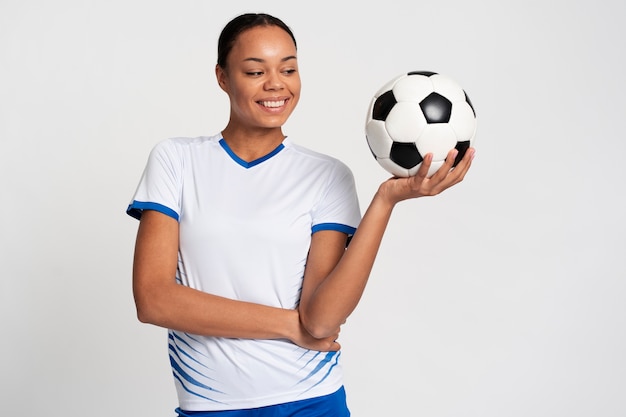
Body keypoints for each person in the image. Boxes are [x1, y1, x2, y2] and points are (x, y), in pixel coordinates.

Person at [126, 12, 474, 417]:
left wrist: (385, 201)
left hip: (312, 402)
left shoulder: (327, 176)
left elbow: (321, 321)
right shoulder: (177, 160)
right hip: (210, 406)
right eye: (255, 71)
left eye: (288, 69)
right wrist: (289, 325)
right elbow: (153, 300)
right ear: (222, 77)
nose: (276, 83)